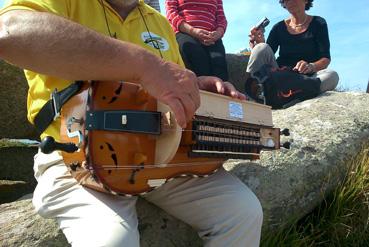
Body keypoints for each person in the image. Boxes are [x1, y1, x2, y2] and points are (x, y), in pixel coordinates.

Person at [0, 0, 263, 246]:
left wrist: (196, 87)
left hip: (161, 154)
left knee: (242, 212)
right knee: (113, 240)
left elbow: (169, 89)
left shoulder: (159, 22)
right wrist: (146, 66)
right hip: (77, 158)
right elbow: (10, 32)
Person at [247, 0, 339, 93]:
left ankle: (290, 93)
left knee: (332, 75)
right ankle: (252, 92)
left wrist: (310, 66)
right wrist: (259, 44)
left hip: (308, 78)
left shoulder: (318, 23)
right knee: (261, 48)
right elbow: (266, 53)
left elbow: (325, 59)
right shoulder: (278, 27)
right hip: (281, 76)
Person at [165, 0, 229, 81]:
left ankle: (220, 90)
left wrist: (218, 33)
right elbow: (171, 12)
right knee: (196, 56)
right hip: (184, 33)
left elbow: (221, 18)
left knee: (219, 64)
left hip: (212, 37)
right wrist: (192, 31)